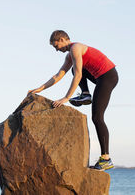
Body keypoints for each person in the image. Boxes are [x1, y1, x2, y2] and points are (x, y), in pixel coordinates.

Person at [27, 30, 119, 171]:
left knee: (97, 117)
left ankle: (106, 158)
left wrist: (66, 98)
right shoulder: (70, 55)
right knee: (73, 69)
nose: (57, 50)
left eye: (56, 46)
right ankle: (86, 94)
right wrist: (40, 88)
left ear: (63, 39)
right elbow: (58, 75)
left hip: (108, 77)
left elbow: (78, 75)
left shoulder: (76, 48)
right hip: (99, 77)